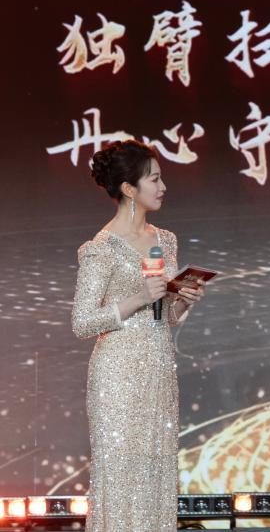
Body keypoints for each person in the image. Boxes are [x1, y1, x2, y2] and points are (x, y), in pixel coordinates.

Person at [72, 140, 205, 532]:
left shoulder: (166, 240)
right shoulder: (101, 249)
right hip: (117, 374)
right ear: (129, 189)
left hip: (159, 370)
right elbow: (82, 322)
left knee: (156, 474)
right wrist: (138, 298)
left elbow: (169, 318)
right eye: (155, 179)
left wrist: (184, 300)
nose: (163, 187)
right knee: (120, 476)